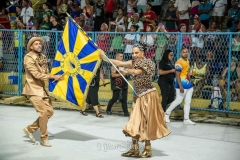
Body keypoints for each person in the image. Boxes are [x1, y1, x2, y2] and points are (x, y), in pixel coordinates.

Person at [100, 43, 170, 158]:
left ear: (142, 52)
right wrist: (104, 56)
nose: (134, 55)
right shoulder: (133, 63)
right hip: (138, 95)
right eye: (132, 53)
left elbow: (137, 72)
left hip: (148, 95)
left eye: (136, 53)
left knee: (145, 122)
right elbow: (118, 63)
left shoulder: (149, 62)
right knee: (134, 121)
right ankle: (134, 148)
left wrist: (126, 70)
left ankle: (148, 149)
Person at [22, 37, 63, 147]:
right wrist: (52, 76)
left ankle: (30, 129)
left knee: (50, 112)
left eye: (40, 44)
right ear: (31, 47)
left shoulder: (43, 57)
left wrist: (53, 77)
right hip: (32, 89)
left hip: (42, 89)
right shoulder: (28, 57)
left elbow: (46, 72)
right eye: (36, 44)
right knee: (43, 113)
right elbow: (36, 74)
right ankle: (44, 138)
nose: (39, 45)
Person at [165, 48, 196, 125]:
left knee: (187, 102)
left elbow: (185, 72)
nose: (185, 53)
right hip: (181, 85)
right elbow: (177, 75)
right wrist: (180, 86)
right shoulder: (179, 62)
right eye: (183, 52)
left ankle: (186, 119)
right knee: (178, 100)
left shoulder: (187, 61)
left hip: (188, 84)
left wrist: (189, 75)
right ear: (180, 53)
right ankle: (166, 114)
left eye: (186, 52)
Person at [106, 52, 129, 117]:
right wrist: (121, 74)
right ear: (117, 57)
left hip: (124, 84)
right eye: (121, 56)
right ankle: (108, 109)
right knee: (115, 98)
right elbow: (113, 75)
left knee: (124, 99)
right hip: (117, 84)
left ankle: (126, 113)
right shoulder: (114, 65)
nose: (122, 58)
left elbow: (127, 72)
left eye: (122, 56)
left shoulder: (124, 64)